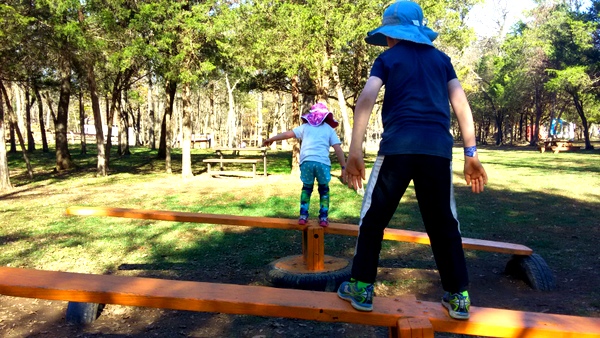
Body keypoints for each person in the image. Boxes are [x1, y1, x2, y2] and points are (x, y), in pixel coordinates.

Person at [336, 0, 488, 320]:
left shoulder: (387, 59)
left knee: (374, 218)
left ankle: (361, 287)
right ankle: (458, 295)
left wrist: (354, 152)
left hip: (398, 148)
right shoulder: (442, 60)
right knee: (443, 223)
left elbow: (366, 99)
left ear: (392, 34)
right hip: (437, 151)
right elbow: (461, 104)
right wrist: (471, 154)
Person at [262, 102, 347, 227]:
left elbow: (287, 134)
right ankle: (323, 218)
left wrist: (272, 139)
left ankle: (303, 216)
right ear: (326, 117)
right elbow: (338, 149)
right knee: (324, 190)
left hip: (306, 162)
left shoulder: (305, 127)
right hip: (322, 164)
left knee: (307, 188)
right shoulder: (329, 130)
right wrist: (343, 167)